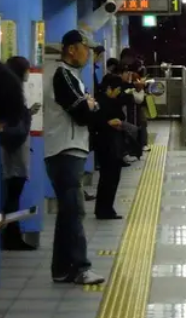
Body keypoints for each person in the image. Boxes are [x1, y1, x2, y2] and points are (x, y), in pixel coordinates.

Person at [44, 29, 107, 285]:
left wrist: (90, 106)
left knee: (67, 213)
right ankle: (81, 268)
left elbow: (91, 107)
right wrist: (89, 106)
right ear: (72, 49)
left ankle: (61, 269)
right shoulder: (63, 75)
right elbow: (83, 113)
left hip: (68, 149)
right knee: (75, 211)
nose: (89, 53)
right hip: (64, 150)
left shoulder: (72, 77)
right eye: (85, 47)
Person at [92, 65, 139, 220]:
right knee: (109, 178)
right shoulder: (101, 103)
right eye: (116, 89)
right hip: (107, 145)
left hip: (110, 144)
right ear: (109, 88)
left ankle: (105, 208)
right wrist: (109, 123)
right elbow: (97, 123)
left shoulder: (105, 100)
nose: (118, 92)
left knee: (109, 178)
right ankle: (104, 210)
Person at [0, 57, 38, 251]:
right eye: (26, 70)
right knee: (13, 196)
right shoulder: (12, 94)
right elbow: (17, 130)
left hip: (13, 155)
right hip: (14, 155)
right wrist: (27, 115)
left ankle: (12, 235)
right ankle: (11, 236)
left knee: (13, 195)